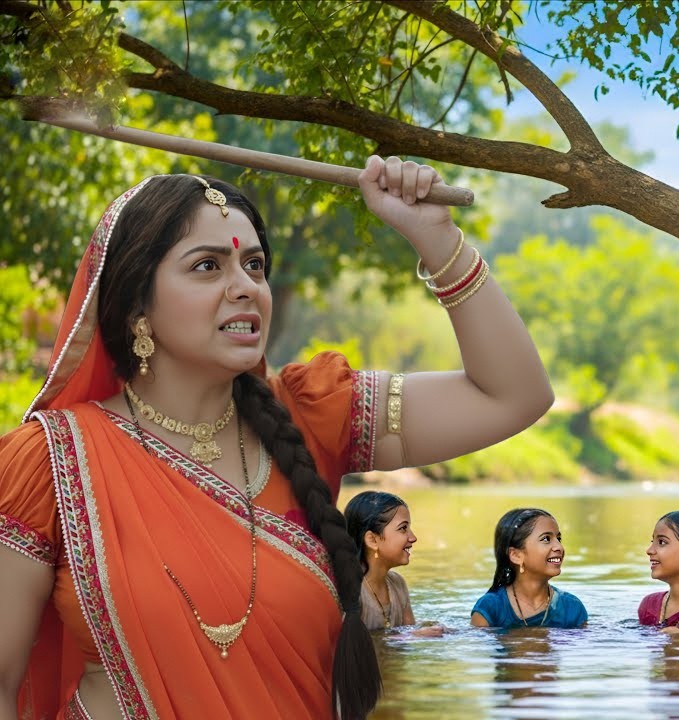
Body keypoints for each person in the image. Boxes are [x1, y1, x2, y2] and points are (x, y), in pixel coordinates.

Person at [0, 156, 554, 720]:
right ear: (137, 302)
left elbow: (512, 396)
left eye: (254, 265)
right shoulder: (50, 462)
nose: (245, 287)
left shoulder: (310, 414)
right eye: (208, 266)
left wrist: (437, 240)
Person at [344, 490, 443, 635]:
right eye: (403, 528)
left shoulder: (397, 584)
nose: (413, 537)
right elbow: (346, 646)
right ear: (372, 540)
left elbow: (409, 630)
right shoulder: (351, 590)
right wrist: (410, 637)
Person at [471, 508, 587, 629]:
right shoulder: (490, 608)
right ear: (516, 555)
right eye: (546, 539)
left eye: (558, 539)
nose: (559, 547)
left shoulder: (572, 608)